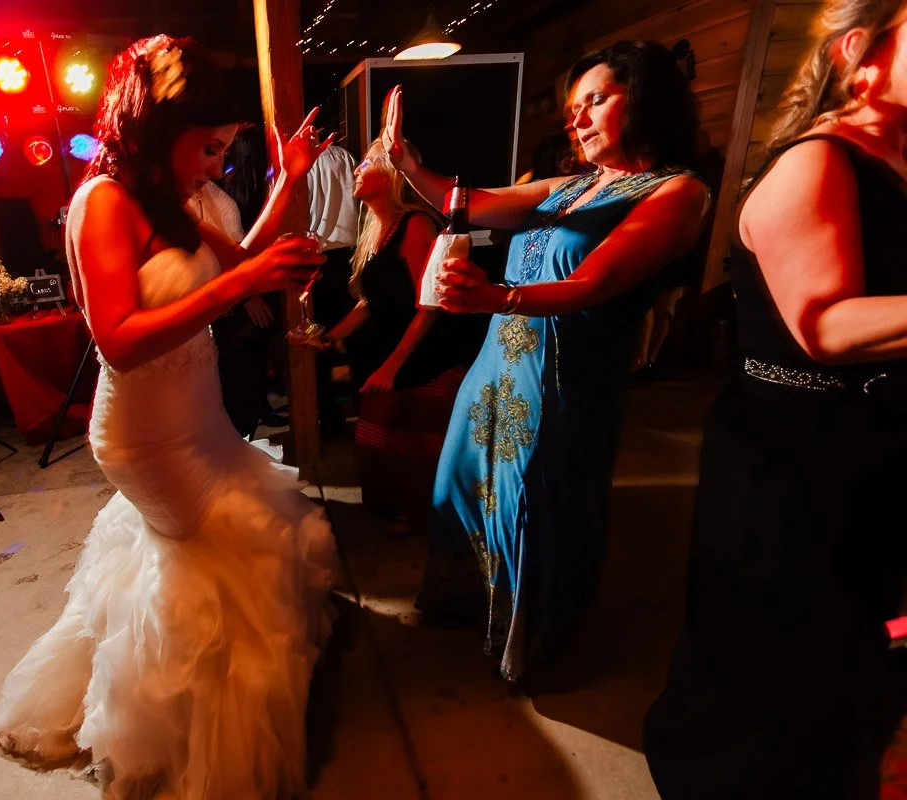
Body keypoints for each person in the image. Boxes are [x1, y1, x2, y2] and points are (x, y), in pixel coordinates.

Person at [0, 36, 338, 800]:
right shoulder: (102, 202)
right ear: (156, 126)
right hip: (148, 434)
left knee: (249, 545)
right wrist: (239, 285)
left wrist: (292, 182)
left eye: (221, 151)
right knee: (226, 570)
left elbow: (242, 256)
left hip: (199, 415)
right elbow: (115, 339)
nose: (213, 166)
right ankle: (193, 747)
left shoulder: (166, 202)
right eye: (206, 147)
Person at [387, 41, 711, 690]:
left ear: (641, 100)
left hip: (564, 378)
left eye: (595, 101)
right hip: (496, 367)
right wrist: (406, 164)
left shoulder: (679, 191)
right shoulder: (574, 185)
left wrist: (494, 296)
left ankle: (534, 643)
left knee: (536, 506)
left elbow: (595, 283)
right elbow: (473, 202)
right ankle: (466, 607)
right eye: (572, 109)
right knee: (461, 486)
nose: (578, 119)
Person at [644, 2, 907, 796]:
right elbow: (827, 326)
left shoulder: (895, 160)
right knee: (774, 653)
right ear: (862, 52)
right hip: (794, 456)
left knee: (855, 643)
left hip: (868, 442)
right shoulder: (818, 162)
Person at [310, 139, 481, 534]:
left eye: (366, 162)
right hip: (395, 355)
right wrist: (326, 337)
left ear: (391, 175)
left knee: (415, 446)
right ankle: (402, 512)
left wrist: (391, 366)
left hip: (426, 358)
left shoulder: (416, 224)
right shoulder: (377, 228)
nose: (355, 169)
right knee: (377, 439)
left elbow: (430, 305)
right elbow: (369, 302)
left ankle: (423, 520)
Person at [187, 171, 274, 438]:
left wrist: (248, 294)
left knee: (235, 390)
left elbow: (237, 255)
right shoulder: (148, 204)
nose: (218, 162)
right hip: (182, 325)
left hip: (218, 310)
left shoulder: (221, 201)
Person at [306, 143, 363, 434]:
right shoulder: (345, 155)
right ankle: (362, 407)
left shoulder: (308, 161)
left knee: (319, 339)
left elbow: (305, 207)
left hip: (320, 254)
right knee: (353, 337)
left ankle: (329, 417)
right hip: (349, 252)